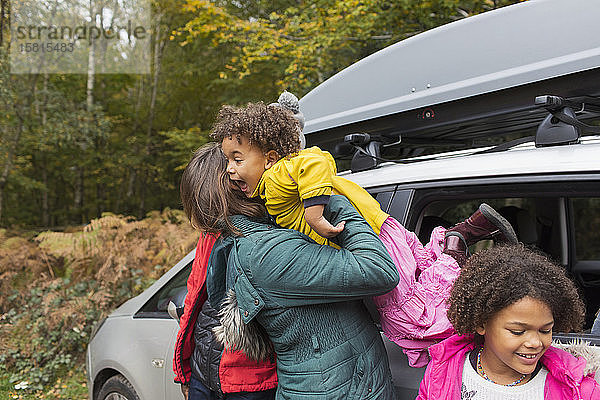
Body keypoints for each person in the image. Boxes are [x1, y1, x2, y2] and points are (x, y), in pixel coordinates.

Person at [210, 100, 517, 367]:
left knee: (411, 318)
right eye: (227, 161)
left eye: (237, 159)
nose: (229, 169)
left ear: (271, 158)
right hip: (381, 229)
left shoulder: (278, 176)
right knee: (421, 277)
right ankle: (463, 230)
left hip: (376, 238)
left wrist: (314, 213)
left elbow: (316, 159)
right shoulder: (271, 185)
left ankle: (454, 246)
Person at [180, 142, 401, 399]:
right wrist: (330, 198)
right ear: (235, 186)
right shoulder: (266, 251)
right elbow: (378, 270)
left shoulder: (260, 238)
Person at [417, 244, 600, 399]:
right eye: (518, 331)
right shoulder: (442, 372)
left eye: (545, 331)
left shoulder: (578, 390)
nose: (535, 343)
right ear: (482, 324)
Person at [174, 143, 277, 400]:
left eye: (208, 206)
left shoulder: (269, 235)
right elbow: (193, 296)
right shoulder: (212, 233)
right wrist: (185, 371)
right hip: (203, 374)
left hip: (253, 383)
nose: (206, 220)